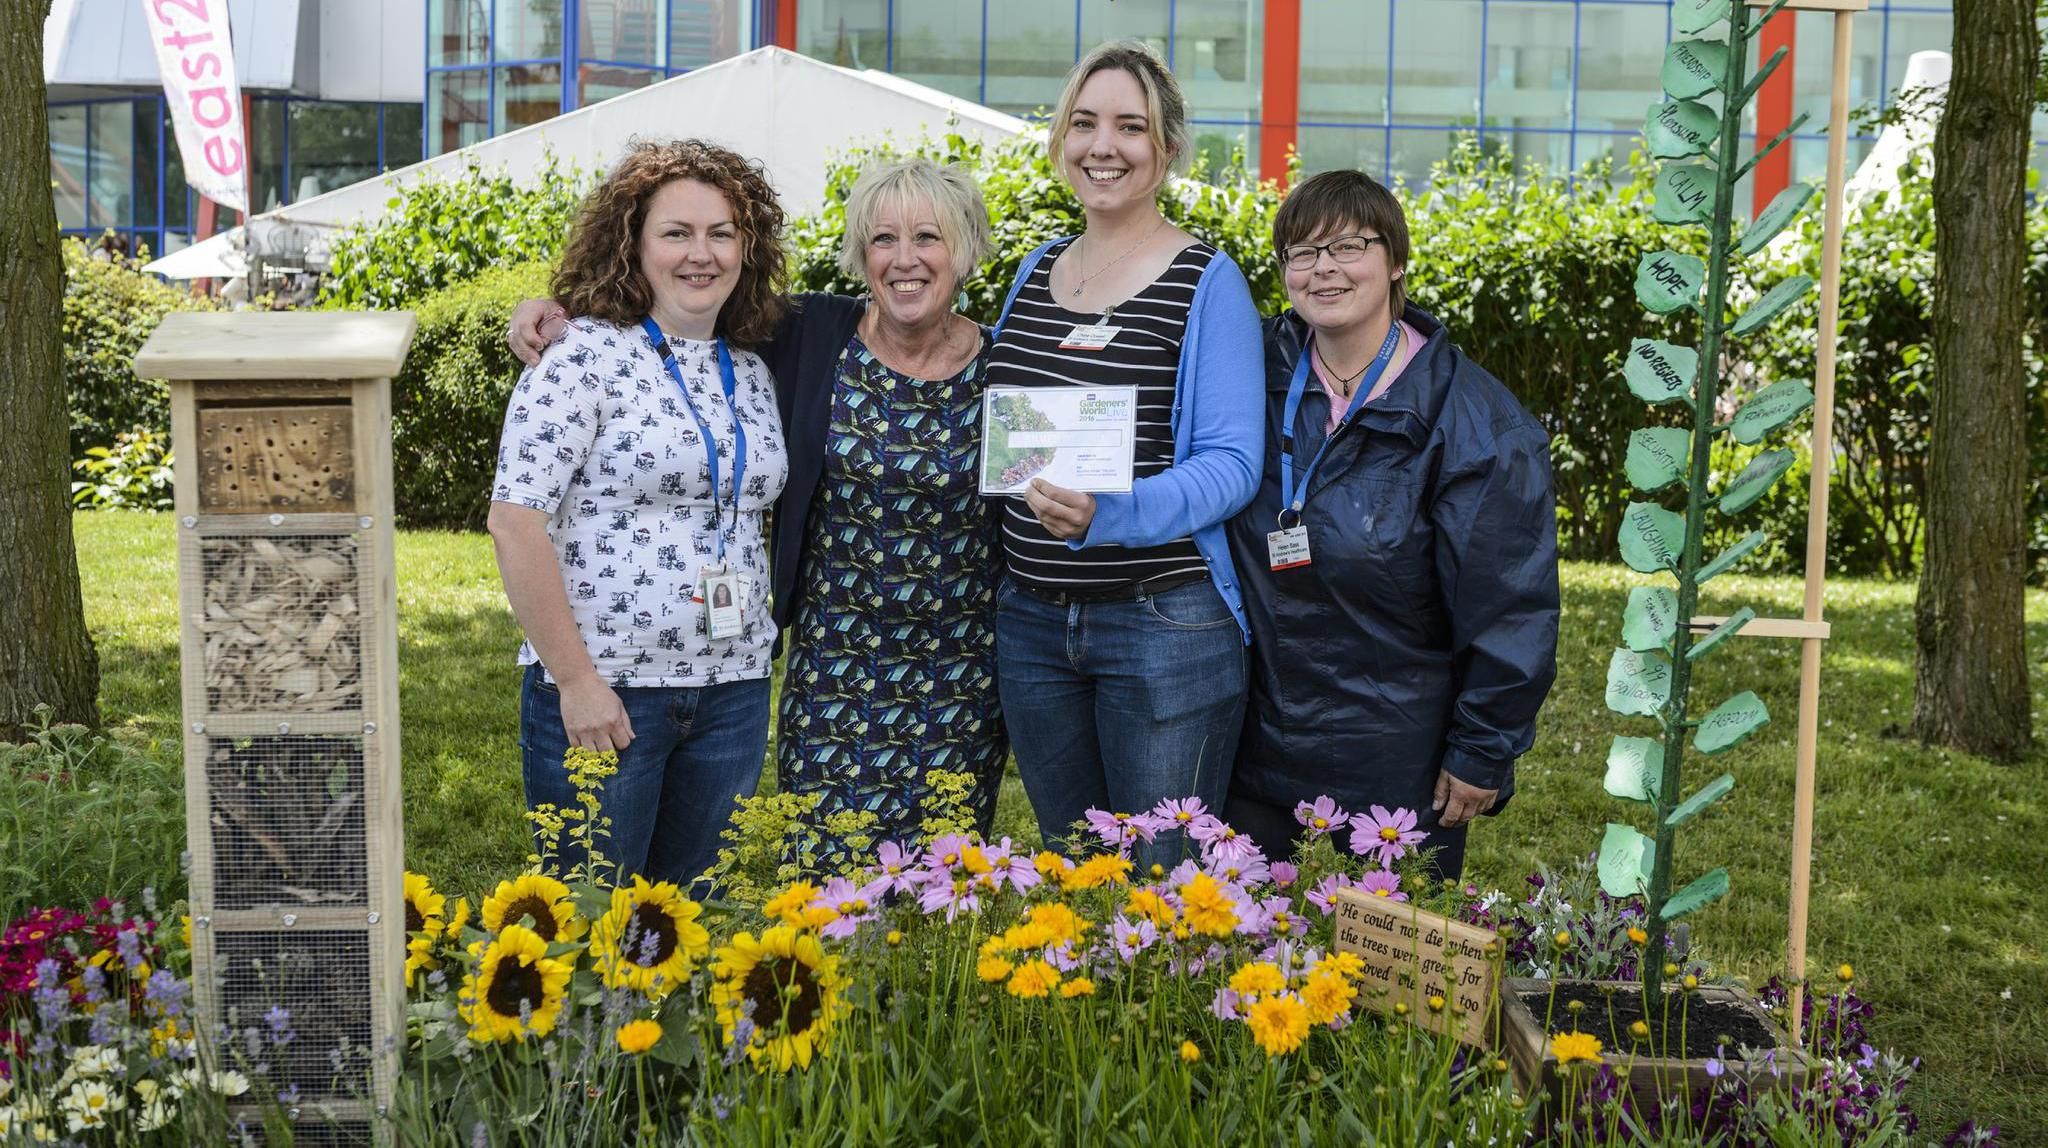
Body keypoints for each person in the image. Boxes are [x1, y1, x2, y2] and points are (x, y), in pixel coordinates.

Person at [509, 159, 1008, 865]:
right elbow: (667, 304)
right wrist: (548, 308)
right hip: (835, 666)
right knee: (814, 891)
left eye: (928, 237)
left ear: (966, 247)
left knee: (939, 888)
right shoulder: (809, 334)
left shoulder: (1008, 364)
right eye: (882, 239)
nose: (904, 260)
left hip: (953, 672)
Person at [1223, 169, 1560, 881]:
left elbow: (1511, 607)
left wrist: (1482, 750)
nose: (1324, 269)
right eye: (1302, 252)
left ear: (1396, 260)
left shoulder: (1474, 426)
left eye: (1349, 246)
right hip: (1256, 745)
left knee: (1391, 980)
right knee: (1255, 972)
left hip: (1397, 756)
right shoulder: (1247, 375)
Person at [487, 139, 790, 889]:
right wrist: (575, 681)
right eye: (676, 233)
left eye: (722, 233)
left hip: (734, 690)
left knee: (696, 925)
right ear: (634, 243)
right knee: (593, 929)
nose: (702, 254)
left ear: (747, 249)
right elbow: (514, 522)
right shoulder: (580, 355)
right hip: (609, 692)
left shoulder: (754, 367)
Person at [987, 41, 1264, 861]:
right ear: (1060, 140)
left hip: (1162, 625)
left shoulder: (1209, 280)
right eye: (1084, 123)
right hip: (1033, 623)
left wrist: (1116, 513)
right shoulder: (1034, 271)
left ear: (1168, 149)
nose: (1103, 146)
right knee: (1072, 873)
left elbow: (1232, 463)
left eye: (1130, 127)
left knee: (1163, 884)